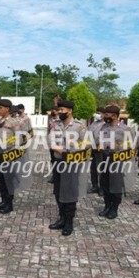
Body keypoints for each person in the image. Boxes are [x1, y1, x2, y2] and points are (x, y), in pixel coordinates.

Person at [48, 100, 88, 236]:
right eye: (59, 110)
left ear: (70, 111)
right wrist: (57, 148)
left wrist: (67, 150)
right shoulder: (55, 124)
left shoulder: (79, 126)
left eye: (62, 110)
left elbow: (86, 145)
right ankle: (62, 218)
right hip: (59, 162)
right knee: (58, 191)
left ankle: (69, 222)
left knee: (69, 192)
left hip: (72, 163)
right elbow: (51, 140)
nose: (59, 112)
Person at [0, 99, 32, 214]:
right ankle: (3, 200)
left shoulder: (15, 122)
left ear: (7, 109)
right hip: (0, 154)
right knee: (0, 178)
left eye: (0, 108)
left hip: (10, 155)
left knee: (8, 179)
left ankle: (9, 204)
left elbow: (23, 138)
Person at [98, 105, 135, 219]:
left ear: (114, 116)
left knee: (116, 185)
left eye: (107, 114)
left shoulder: (125, 129)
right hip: (105, 157)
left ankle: (114, 208)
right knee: (105, 183)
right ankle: (107, 206)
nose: (104, 116)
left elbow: (132, 146)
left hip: (118, 159)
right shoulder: (104, 127)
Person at [87, 107, 105, 194]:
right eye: (97, 113)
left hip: (101, 149)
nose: (98, 115)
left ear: (104, 115)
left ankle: (102, 187)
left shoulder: (105, 124)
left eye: (100, 113)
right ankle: (95, 186)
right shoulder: (93, 124)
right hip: (92, 148)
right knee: (93, 168)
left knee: (100, 168)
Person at [47, 106, 59, 183]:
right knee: (53, 160)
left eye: (54, 110)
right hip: (51, 143)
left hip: (58, 144)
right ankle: (54, 176)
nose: (53, 111)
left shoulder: (60, 120)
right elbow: (49, 130)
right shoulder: (50, 119)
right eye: (52, 110)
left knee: (57, 160)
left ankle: (57, 176)